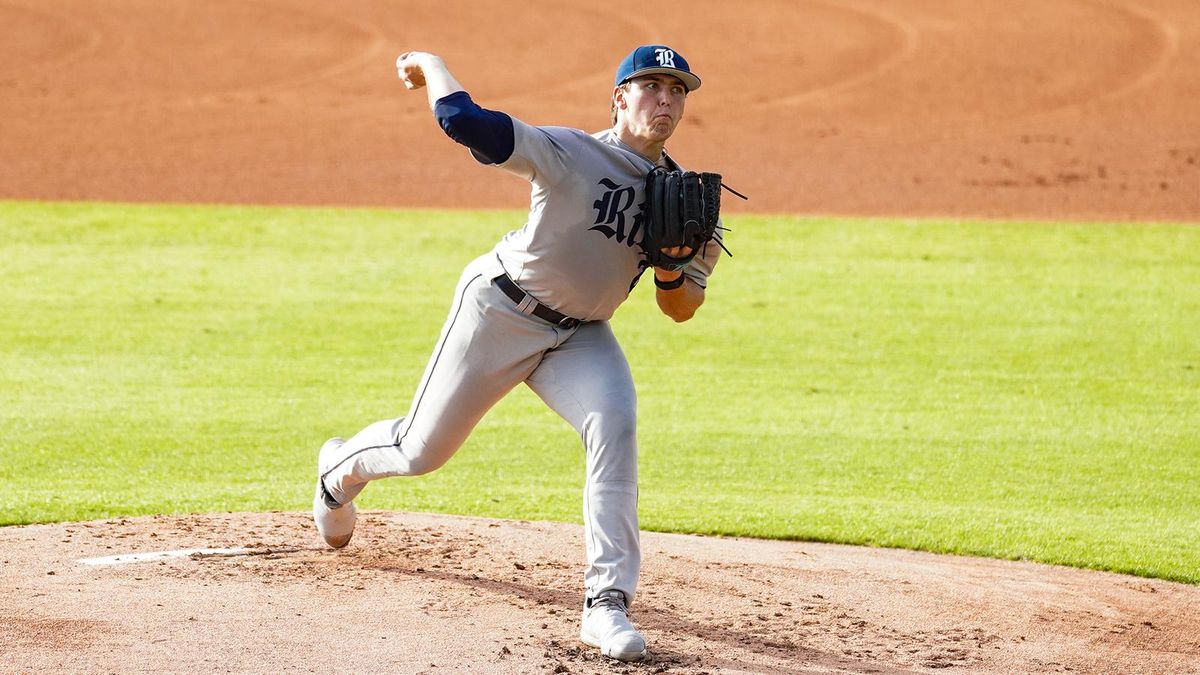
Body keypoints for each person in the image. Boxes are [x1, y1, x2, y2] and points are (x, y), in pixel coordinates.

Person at [312, 44, 723, 662]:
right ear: (620, 98)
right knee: (420, 451)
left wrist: (669, 270)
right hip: (500, 311)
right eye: (651, 86)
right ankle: (338, 473)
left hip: (581, 336)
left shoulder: (689, 200)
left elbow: (681, 307)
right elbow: (463, 122)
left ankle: (606, 604)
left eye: (677, 91)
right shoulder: (570, 153)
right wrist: (431, 64)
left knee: (614, 425)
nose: (665, 100)